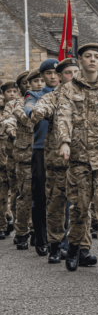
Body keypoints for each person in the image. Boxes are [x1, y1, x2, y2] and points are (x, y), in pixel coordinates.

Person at [57, 43, 98, 276]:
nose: (92, 60)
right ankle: (74, 247)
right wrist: (64, 142)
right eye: (88, 56)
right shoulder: (69, 88)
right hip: (79, 156)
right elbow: (63, 116)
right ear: (80, 60)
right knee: (80, 208)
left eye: (96, 56)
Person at [31, 58, 87, 264]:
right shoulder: (54, 96)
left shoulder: (85, 94)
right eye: (67, 73)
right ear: (61, 76)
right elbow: (41, 107)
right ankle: (54, 245)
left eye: (75, 72)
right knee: (56, 203)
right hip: (58, 159)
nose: (72, 76)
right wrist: (38, 112)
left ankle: (78, 247)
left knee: (81, 204)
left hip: (83, 159)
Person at [24, 58, 60, 256]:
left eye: (56, 72)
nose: (53, 76)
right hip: (41, 149)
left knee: (64, 196)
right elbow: (29, 106)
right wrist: (33, 112)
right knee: (40, 196)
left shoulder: (68, 94)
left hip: (65, 149)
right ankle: (40, 237)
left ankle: (63, 240)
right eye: (48, 73)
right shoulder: (35, 94)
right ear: (43, 76)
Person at [7, 69, 44, 250]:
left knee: (44, 196)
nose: (39, 84)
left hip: (45, 154)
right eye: (35, 81)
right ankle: (21, 232)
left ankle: (38, 231)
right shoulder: (18, 103)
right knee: (25, 194)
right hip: (25, 156)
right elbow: (20, 118)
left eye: (41, 80)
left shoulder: (49, 101)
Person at [0, 81, 19, 240]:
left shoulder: (19, 107)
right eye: (8, 91)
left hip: (13, 156)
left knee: (15, 190)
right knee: (1, 191)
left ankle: (12, 219)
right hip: (1, 155)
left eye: (14, 91)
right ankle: (2, 224)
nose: (11, 94)